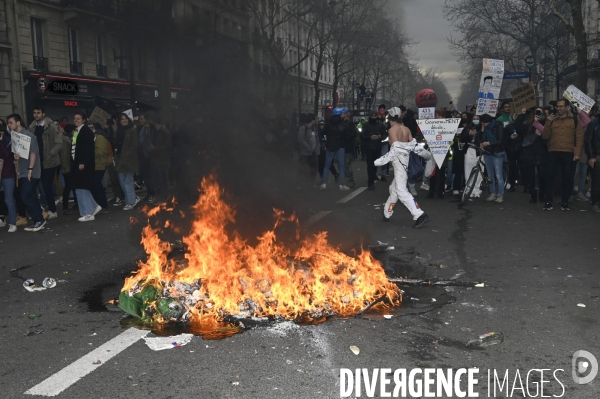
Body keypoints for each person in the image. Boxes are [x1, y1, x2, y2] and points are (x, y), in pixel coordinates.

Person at [375, 107, 430, 228]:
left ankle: (419, 214)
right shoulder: (406, 128)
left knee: (400, 191)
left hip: (399, 161)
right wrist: (426, 154)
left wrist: (381, 159)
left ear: (390, 117)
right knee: (394, 189)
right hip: (406, 160)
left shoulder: (392, 130)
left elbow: (396, 148)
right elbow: (412, 144)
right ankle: (387, 212)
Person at [541, 98, 584, 211]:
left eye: (561, 106)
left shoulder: (574, 119)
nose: (558, 108)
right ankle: (548, 201)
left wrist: (578, 153)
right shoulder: (551, 119)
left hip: (568, 152)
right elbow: (545, 136)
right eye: (557, 106)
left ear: (567, 107)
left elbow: (579, 138)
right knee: (549, 177)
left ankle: (565, 201)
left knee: (567, 178)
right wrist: (548, 123)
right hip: (553, 151)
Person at [7, 114, 46, 231]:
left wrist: (30, 170)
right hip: (22, 171)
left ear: (18, 123)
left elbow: (33, 153)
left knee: (25, 196)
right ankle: (38, 219)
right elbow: (19, 155)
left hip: (30, 172)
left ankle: (39, 219)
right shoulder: (15, 137)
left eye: (10, 122)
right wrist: (16, 156)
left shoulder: (29, 136)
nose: (9, 125)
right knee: (31, 195)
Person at [29, 106, 62, 219]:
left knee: (46, 185)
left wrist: (50, 153)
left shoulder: (51, 127)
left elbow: (59, 143)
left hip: (49, 162)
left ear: (43, 114)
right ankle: (48, 204)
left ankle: (52, 209)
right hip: (37, 162)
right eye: (34, 113)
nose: (36, 115)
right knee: (42, 186)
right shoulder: (32, 127)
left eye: (38, 113)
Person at [72, 113, 101, 222]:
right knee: (83, 186)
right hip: (79, 163)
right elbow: (75, 145)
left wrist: (82, 162)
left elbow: (87, 148)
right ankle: (94, 206)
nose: (76, 120)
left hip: (83, 164)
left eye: (78, 118)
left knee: (81, 187)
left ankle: (87, 213)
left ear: (84, 120)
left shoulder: (86, 131)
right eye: (75, 118)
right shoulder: (78, 131)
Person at [515, 107, 548, 204]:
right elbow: (519, 129)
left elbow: (548, 138)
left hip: (541, 153)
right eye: (536, 112)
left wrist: (541, 127)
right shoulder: (527, 123)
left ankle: (542, 195)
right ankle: (533, 196)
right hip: (529, 153)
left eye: (540, 112)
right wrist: (522, 115)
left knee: (542, 176)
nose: (538, 113)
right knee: (531, 176)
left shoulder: (546, 123)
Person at [320, 107, 350, 190]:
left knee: (327, 165)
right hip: (340, 146)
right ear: (340, 114)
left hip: (330, 147)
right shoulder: (343, 124)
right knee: (341, 166)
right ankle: (342, 185)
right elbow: (347, 136)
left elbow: (323, 133)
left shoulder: (328, 123)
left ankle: (324, 183)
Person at [145, 111, 172, 202]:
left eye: (150, 120)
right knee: (156, 179)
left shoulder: (165, 132)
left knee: (162, 179)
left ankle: (164, 197)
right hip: (154, 159)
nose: (149, 122)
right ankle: (159, 196)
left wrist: (155, 148)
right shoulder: (153, 131)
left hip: (162, 160)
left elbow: (168, 146)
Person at [115, 113, 140, 210]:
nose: (124, 120)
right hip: (120, 159)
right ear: (119, 121)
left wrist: (127, 155)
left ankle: (130, 202)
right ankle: (132, 197)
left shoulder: (132, 130)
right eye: (122, 119)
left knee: (128, 180)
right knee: (122, 180)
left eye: (125, 119)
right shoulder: (120, 131)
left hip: (130, 159)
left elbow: (134, 145)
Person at [479, 113, 506, 203]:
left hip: (497, 153)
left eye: (484, 123)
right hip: (487, 153)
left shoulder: (498, 126)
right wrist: (482, 143)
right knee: (490, 176)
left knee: (498, 175)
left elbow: (501, 140)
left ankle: (500, 194)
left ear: (488, 122)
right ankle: (492, 192)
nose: (483, 125)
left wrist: (489, 143)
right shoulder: (485, 129)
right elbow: (482, 139)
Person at [360, 109, 386, 190]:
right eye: (372, 115)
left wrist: (380, 137)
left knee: (374, 165)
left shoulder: (381, 125)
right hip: (368, 148)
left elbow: (385, 135)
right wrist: (370, 138)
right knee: (370, 165)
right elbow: (362, 136)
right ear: (370, 116)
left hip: (377, 147)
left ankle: (373, 177)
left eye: (375, 115)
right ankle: (370, 183)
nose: (374, 117)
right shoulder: (366, 125)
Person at [0, 119, 17, 232]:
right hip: (4, 173)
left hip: (7, 173)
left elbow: (7, 154)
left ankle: (12, 223)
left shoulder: (8, 139)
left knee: (9, 199)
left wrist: (1, 142)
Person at [460, 114, 483, 200]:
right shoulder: (468, 128)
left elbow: (484, 138)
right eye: (474, 119)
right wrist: (469, 134)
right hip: (469, 150)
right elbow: (462, 139)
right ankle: (468, 189)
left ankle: (476, 190)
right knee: (468, 170)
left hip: (479, 151)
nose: (476, 120)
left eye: (477, 119)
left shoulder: (482, 128)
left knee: (479, 171)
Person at [89, 122, 110, 212]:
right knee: (96, 185)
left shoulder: (99, 137)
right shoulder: (95, 136)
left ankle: (103, 205)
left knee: (97, 184)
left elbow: (99, 152)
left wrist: (89, 151)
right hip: (95, 164)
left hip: (99, 164)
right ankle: (100, 204)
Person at [105, 116, 124, 206]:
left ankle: (120, 196)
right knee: (113, 177)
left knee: (116, 177)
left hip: (117, 156)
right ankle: (118, 195)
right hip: (111, 156)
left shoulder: (121, 130)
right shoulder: (108, 130)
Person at [297, 113, 319, 188]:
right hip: (305, 152)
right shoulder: (303, 128)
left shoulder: (313, 128)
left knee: (314, 168)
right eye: (316, 119)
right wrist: (308, 147)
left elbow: (316, 140)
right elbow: (301, 139)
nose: (317, 120)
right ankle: (300, 184)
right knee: (302, 168)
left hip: (312, 152)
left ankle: (311, 183)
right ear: (312, 120)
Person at [584, 108, 600, 212]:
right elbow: (588, 141)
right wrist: (591, 157)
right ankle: (596, 202)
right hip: (597, 157)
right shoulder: (594, 124)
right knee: (597, 182)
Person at [343, 110, 358, 188]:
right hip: (342, 146)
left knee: (346, 164)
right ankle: (345, 180)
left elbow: (354, 134)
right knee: (343, 165)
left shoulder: (349, 123)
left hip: (347, 146)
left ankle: (350, 180)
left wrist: (346, 136)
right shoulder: (340, 123)